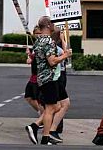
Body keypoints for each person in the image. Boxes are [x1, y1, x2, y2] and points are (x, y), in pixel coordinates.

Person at [27, 17, 70, 145]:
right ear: (48, 25)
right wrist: (65, 55)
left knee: (56, 106)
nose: (54, 25)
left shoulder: (39, 40)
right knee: (51, 108)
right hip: (49, 78)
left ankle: (41, 132)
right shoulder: (49, 41)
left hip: (42, 77)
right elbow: (52, 61)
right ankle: (42, 134)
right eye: (52, 23)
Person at [24, 26, 44, 117]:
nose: (38, 35)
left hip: (40, 76)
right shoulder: (36, 44)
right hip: (33, 76)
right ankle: (41, 114)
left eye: (40, 33)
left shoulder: (43, 44)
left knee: (39, 100)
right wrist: (30, 55)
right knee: (28, 97)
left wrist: (31, 58)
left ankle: (43, 117)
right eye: (36, 33)